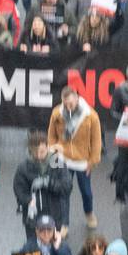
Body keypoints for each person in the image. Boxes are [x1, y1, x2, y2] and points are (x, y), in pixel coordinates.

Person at [46, 86, 102, 228]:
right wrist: (53, 156)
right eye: (66, 105)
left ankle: (89, 213)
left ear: (77, 98)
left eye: (71, 104)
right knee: (63, 192)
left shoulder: (90, 116)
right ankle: (64, 223)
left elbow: (96, 140)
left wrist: (93, 161)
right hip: (62, 158)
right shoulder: (57, 114)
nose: (69, 107)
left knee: (86, 192)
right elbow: (51, 136)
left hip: (82, 161)